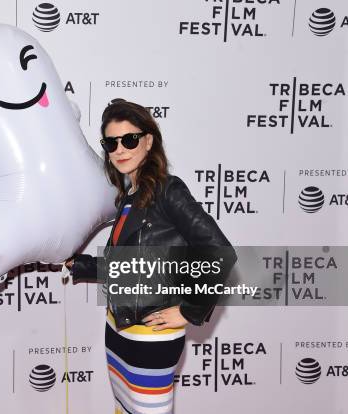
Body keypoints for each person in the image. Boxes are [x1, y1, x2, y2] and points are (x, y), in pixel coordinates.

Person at [66, 99, 236, 414]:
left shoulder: (167, 190)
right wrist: (82, 265)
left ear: (148, 140)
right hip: (117, 329)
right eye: (111, 142)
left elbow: (219, 251)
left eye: (129, 139)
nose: (120, 149)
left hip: (150, 337)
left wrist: (190, 311)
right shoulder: (128, 197)